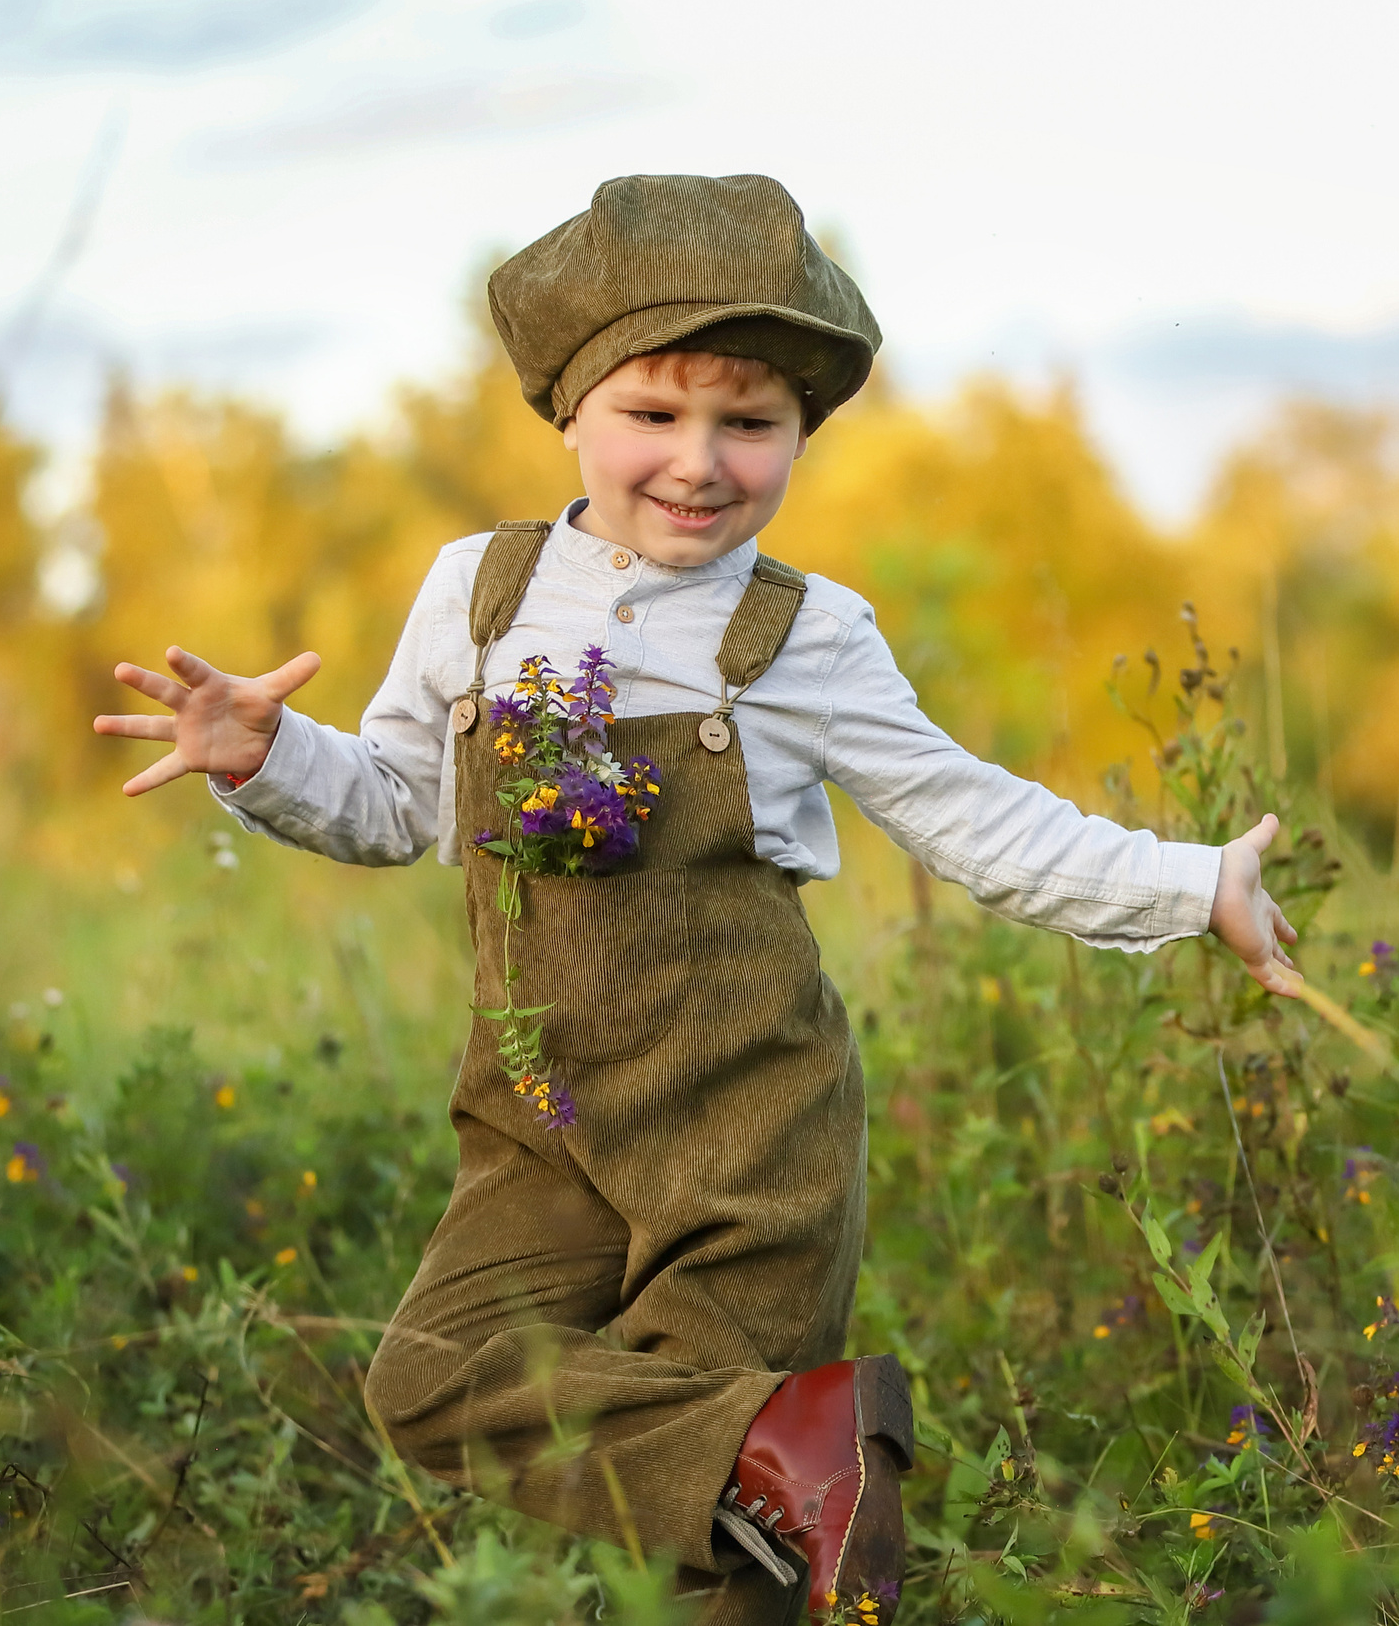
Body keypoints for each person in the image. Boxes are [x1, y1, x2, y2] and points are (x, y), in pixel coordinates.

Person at [92, 174, 1303, 1624]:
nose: (700, 462)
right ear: (571, 409)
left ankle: (794, 1475)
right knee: (439, 1378)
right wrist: (268, 754)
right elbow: (402, 805)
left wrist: (1191, 881)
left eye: (751, 423)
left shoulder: (805, 634)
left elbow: (969, 813)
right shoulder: (479, 592)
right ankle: (802, 1446)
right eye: (653, 413)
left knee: (720, 1560)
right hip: (538, 1116)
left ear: (801, 431)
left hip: (745, 1125)